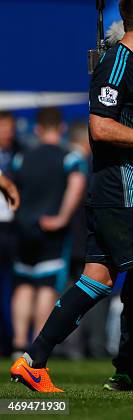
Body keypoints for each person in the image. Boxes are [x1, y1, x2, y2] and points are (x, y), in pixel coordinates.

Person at [9, 0, 133, 393]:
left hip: (119, 188)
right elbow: (99, 127)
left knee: (96, 280)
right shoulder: (118, 63)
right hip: (120, 187)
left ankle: (33, 360)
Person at [10, 109, 88, 356]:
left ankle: (18, 342)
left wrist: (19, 216)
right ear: (62, 128)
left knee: (23, 284)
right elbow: (77, 184)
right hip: (51, 228)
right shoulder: (69, 158)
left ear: (37, 129)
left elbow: (10, 188)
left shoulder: (21, 158)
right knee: (45, 286)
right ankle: (34, 346)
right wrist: (62, 217)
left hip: (24, 227)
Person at [0, 111, 19, 356]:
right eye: (3, 128)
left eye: (10, 128)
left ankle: (10, 343)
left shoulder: (18, 155)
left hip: (10, 230)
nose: (8, 133)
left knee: (9, 288)